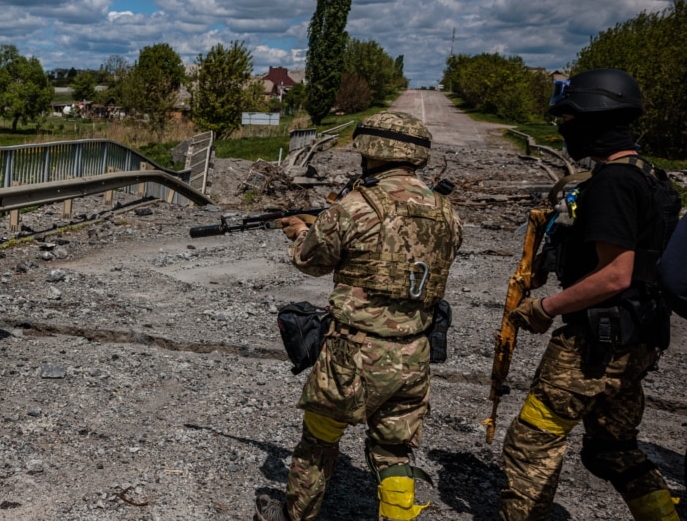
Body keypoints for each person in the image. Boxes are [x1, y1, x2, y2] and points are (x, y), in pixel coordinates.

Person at [257, 110, 462, 521]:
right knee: (394, 450)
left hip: (352, 353)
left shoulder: (354, 206)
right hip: (414, 351)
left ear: (369, 149)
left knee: (318, 442)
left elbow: (310, 261)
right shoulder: (445, 210)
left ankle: (296, 515)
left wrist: (301, 230)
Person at [499, 67, 681, 520]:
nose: (564, 132)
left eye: (568, 121)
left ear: (593, 119)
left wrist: (544, 308)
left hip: (594, 343)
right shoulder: (653, 178)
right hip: (639, 336)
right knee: (611, 449)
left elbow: (615, 274)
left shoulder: (613, 183)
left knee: (531, 446)